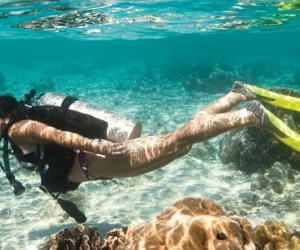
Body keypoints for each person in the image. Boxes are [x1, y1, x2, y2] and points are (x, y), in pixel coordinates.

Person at [1, 81, 300, 222]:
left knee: (177, 141)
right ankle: (235, 95)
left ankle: (249, 116)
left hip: (96, 160)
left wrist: (96, 145)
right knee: (180, 144)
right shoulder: (12, 133)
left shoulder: (17, 129)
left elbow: (57, 134)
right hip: (93, 161)